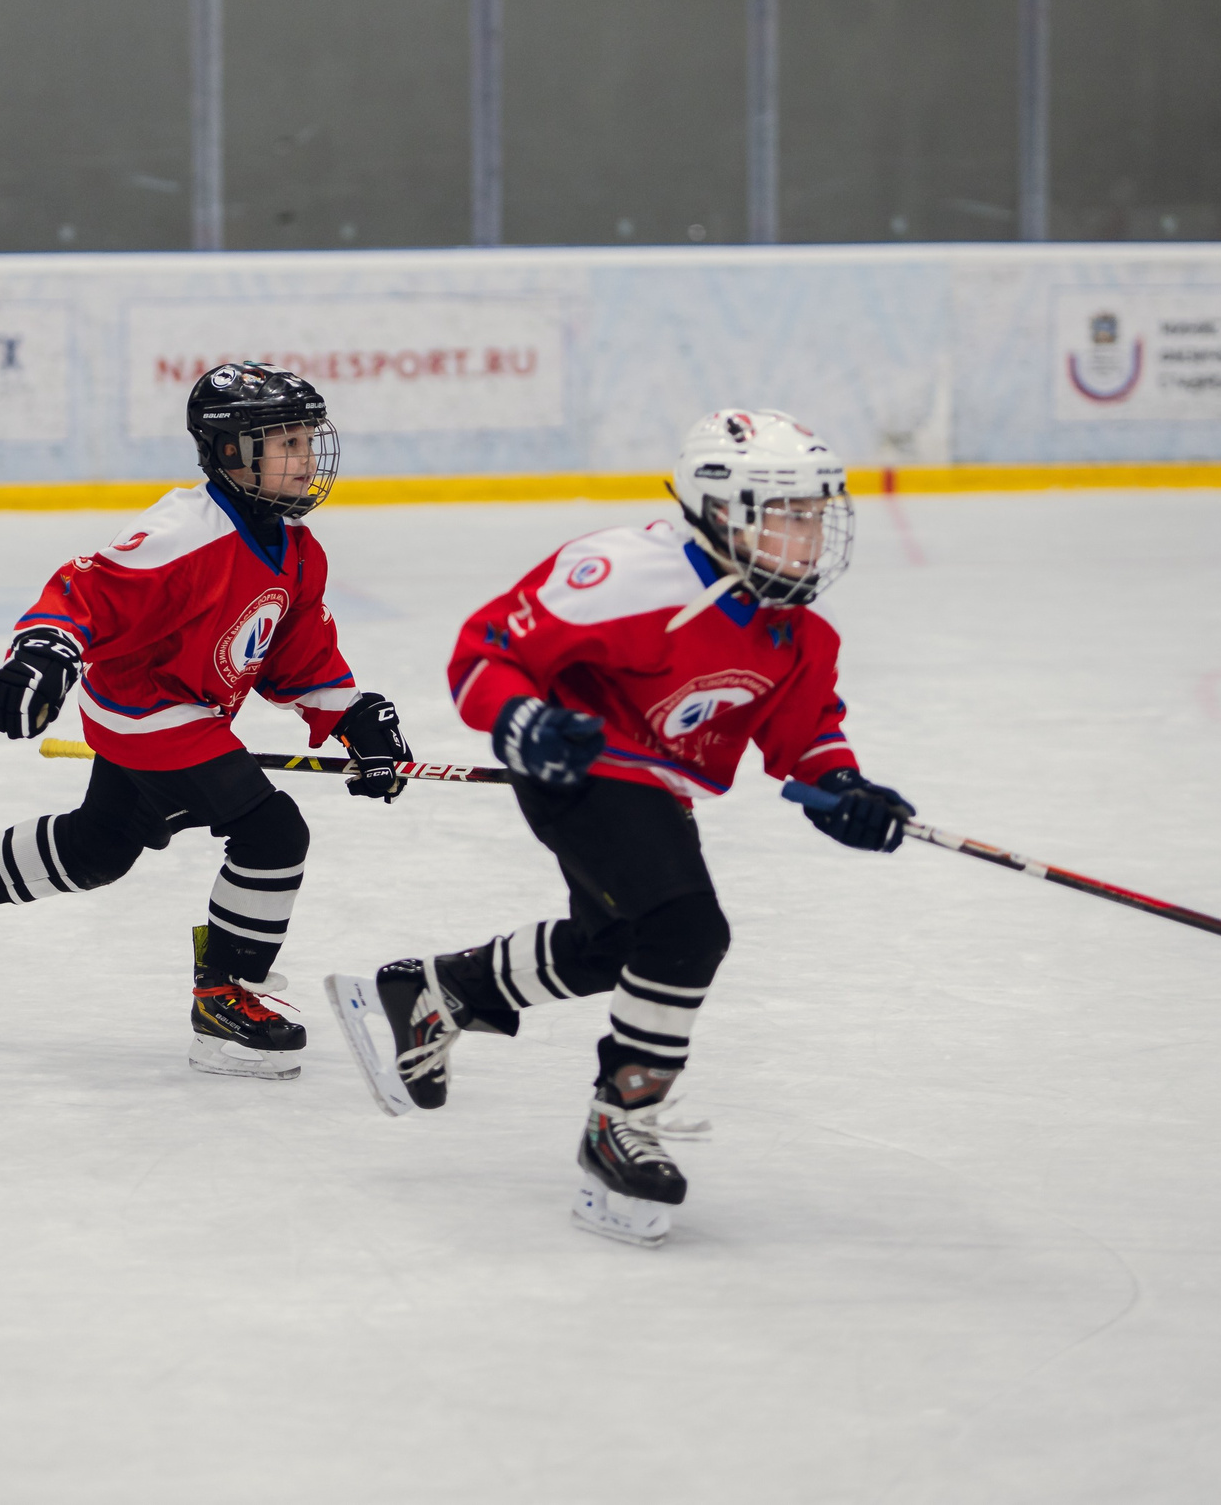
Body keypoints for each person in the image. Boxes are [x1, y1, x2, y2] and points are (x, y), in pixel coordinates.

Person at [325, 409, 913, 1246]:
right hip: (577, 765)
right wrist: (523, 720)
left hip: (656, 787)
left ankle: (436, 990)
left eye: (818, 515)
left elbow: (806, 732)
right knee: (685, 929)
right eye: (791, 515)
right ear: (725, 511)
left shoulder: (798, 632)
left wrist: (844, 787)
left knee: (614, 947)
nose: (812, 536)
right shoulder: (628, 573)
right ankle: (619, 1122)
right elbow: (485, 650)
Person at [0, 362, 411, 1079]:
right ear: (228, 453)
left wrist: (353, 717)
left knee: (101, 847)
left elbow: (295, 657)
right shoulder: (186, 530)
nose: (307, 458)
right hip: (149, 710)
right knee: (273, 832)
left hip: (179, 711)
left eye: (309, 439)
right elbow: (87, 590)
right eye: (286, 442)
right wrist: (45, 649)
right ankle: (224, 999)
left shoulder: (299, 552)